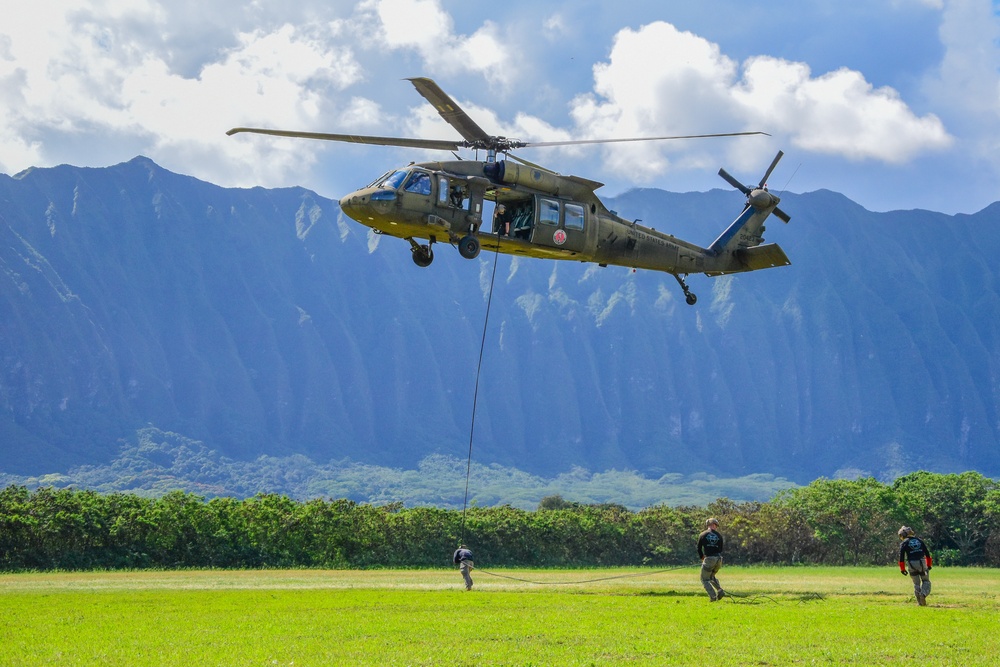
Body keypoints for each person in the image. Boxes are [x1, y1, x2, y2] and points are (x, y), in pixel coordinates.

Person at [898, 526, 932, 606]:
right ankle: (923, 595)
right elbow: (927, 553)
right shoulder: (919, 540)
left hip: (911, 563)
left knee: (916, 583)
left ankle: (919, 602)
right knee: (926, 581)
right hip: (922, 563)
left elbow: (901, 557)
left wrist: (902, 569)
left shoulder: (904, 543)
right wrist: (929, 564)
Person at [697, 518, 726, 601]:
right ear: (714, 525)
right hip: (719, 559)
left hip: (709, 559)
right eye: (716, 525)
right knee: (711, 576)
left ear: (708, 525)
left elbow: (698, 548)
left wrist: (702, 557)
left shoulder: (703, 534)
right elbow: (720, 549)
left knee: (704, 579)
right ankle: (720, 590)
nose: (716, 527)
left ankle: (713, 597)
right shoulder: (719, 536)